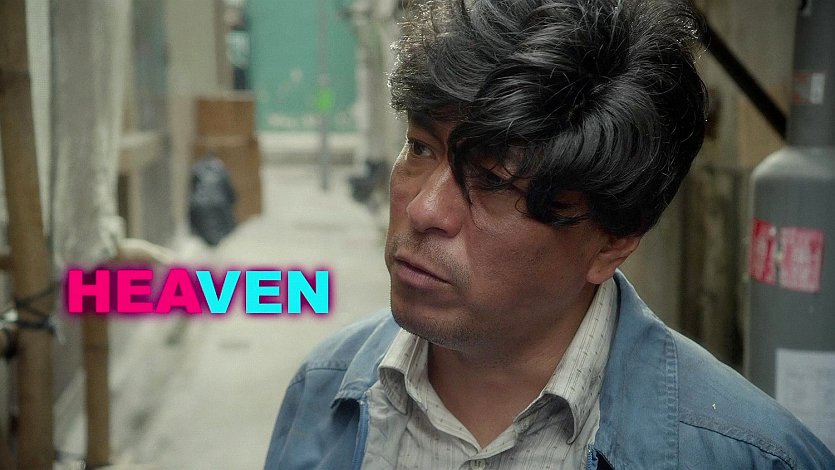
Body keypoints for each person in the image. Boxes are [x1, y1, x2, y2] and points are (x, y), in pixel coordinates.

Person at [265, 0, 835, 468]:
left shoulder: (746, 456)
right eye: (419, 147)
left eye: (493, 180)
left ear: (612, 241)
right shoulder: (322, 393)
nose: (423, 208)